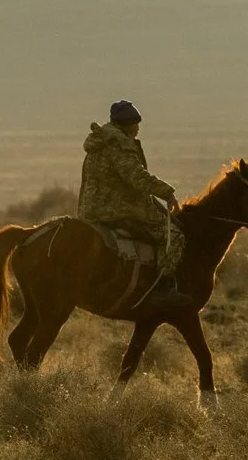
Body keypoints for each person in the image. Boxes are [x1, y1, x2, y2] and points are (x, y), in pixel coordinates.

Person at [79, 99, 189, 311]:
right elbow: (135, 177)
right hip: (117, 207)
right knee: (173, 236)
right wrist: (167, 192)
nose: (138, 129)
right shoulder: (119, 143)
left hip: (91, 207)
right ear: (127, 124)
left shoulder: (100, 140)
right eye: (135, 124)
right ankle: (162, 289)